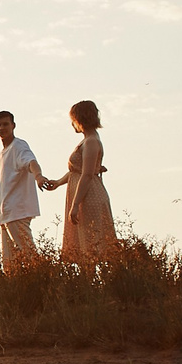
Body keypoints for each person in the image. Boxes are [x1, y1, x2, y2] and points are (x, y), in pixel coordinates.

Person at [37, 99, 117, 273]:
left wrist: (75, 204)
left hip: (89, 197)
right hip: (83, 195)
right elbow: (77, 171)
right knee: (85, 244)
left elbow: (87, 175)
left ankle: (91, 281)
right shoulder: (87, 140)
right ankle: (87, 280)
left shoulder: (91, 142)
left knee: (90, 244)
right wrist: (58, 182)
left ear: (80, 119)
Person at [0, 110, 46, 266]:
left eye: (5, 124)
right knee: (9, 265)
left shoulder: (18, 146)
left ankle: (47, 279)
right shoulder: (3, 153)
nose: (2, 128)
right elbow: (4, 187)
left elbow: (31, 162)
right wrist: (0, 218)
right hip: (6, 215)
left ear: (13, 125)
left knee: (30, 256)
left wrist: (38, 176)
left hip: (17, 212)